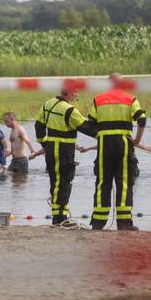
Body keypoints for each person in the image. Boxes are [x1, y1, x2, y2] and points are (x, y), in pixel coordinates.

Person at [88, 73, 145, 231]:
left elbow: (90, 124)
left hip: (104, 144)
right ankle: (124, 224)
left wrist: (101, 135)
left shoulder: (98, 99)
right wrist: (137, 141)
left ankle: (98, 224)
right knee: (124, 183)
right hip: (124, 143)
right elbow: (142, 119)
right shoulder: (130, 98)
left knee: (102, 182)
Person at [35, 87, 95, 225]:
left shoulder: (48, 103)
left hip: (51, 149)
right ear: (67, 92)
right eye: (75, 91)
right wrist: (105, 136)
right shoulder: (69, 110)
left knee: (56, 181)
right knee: (63, 182)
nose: (77, 93)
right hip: (63, 150)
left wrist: (44, 143)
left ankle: (61, 216)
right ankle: (59, 219)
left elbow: (38, 125)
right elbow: (87, 128)